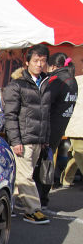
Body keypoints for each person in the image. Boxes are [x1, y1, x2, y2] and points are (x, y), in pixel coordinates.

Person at [2, 44, 52, 224]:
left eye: (43, 61)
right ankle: (33, 209)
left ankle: (11, 204)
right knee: (25, 176)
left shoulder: (46, 83)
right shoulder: (17, 85)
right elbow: (10, 115)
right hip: (23, 138)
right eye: (36, 60)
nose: (39, 64)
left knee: (22, 174)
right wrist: (15, 140)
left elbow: (46, 113)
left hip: (38, 138)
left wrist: (45, 138)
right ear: (27, 62)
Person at [42, 53, 78, 200]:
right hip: (59, 127)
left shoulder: (57, 80)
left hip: (49, 128)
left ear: (53, 66)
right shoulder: (72, 80)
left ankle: (41, 197)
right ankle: (44, 196)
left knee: (43, 165)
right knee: (48, 162)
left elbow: (45, 104)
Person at [60, 67, 83, 187]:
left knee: (76, 155)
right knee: (79, 154)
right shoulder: (76, 82)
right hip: (78, 125)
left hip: (77, 125)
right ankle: (66, 179)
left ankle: (67, 179)